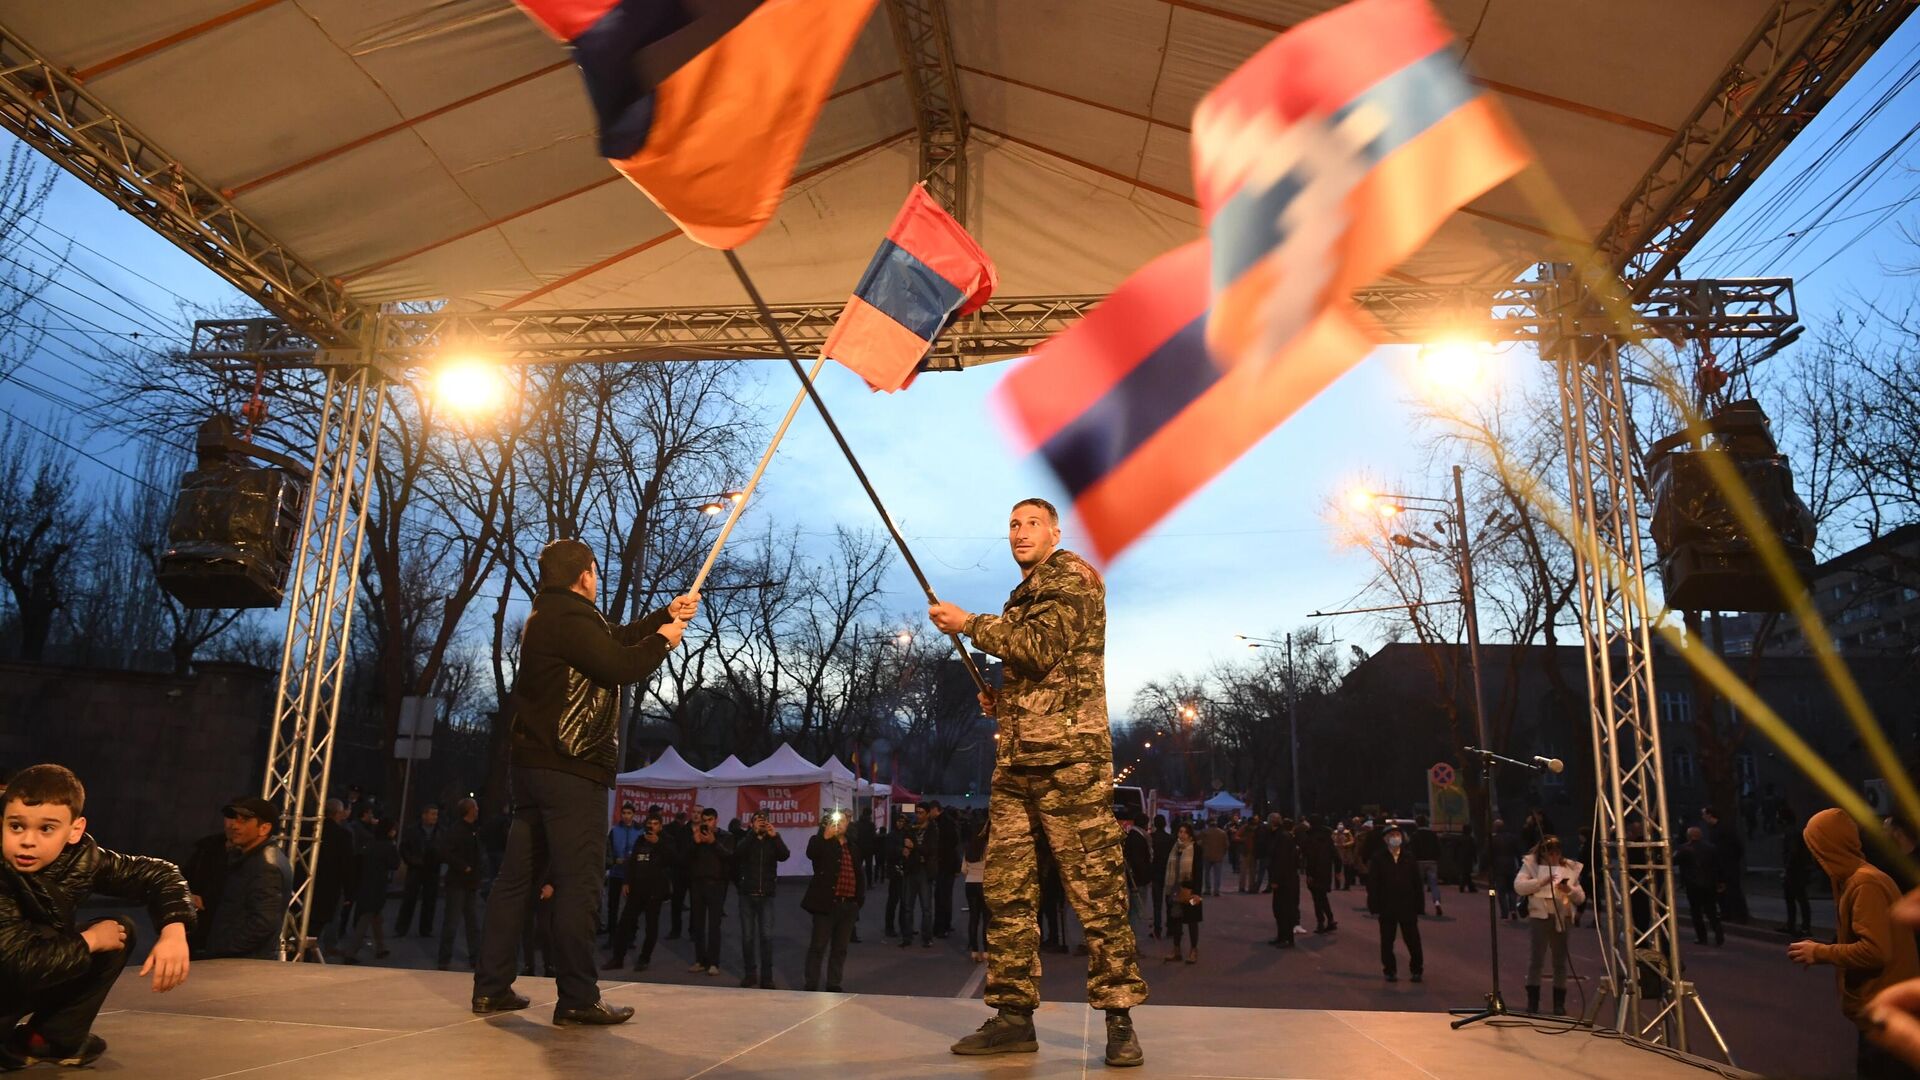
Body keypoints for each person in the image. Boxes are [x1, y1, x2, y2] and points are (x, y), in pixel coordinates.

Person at [930, 497, 1146, 1067]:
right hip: (1020, 762)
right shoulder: (1023, 595)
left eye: (1030, 524)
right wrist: (1004, 701)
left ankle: (1120, 1020)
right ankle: (1012, 1016)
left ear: (1054, 532)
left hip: (1069, 763)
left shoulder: (1072, 576)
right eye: (1012, 524)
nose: (1019, 532)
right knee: (1007, 893)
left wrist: (968, 623)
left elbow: (1041, 645)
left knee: (1095, 894)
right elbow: (1046, 673)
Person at [472, 538, 695, 1026]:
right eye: (596, 570)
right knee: (580, 884)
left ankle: (491, 987)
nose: (598, 576)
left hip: (535, 768)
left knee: (516, 881)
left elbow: (611, 638)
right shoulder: (569, 619)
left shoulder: (551, 616)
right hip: (570, 767)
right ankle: (577, 996)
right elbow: (620, 664)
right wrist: (664, 640)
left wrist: (664, 613)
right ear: (585, 575)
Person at [0, 765, 193, 1070]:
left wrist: (174, 930)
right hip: (12, 971)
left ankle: (49, 1039)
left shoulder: (82, 859)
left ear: (74, 831)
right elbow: (17, 963)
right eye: (16, 826)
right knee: (76, 937)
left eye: (47, 828)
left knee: (119, 931)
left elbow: (160, 873)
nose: (28, 840)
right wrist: (89, 940)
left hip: (24, 975)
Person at [1791, 809, 1920, 1079]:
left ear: (1829, 845)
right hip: (1880, 1010)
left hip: (1886, 1012)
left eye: (1815, 846)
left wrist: (1820, 952)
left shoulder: (1865, 883)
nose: (1814, 856)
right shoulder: (1857, 880)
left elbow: (1875, 951)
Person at [192, 796, 294, 960]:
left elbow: (263, 923)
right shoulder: (249, 858)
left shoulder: (266, 866)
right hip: (236, 960)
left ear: (264, 828)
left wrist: (222, 948)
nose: (234, 825)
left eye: (244, 820)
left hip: (242, 963)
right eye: (233, 818)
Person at [1515, 835, 1584, 1015]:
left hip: (1562, 916)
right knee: (1536, 960)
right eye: (1549, 854)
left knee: (1560, 961)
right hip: (1540, 916)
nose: (1553, 857)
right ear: (1542, 853)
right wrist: (1540, 882)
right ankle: (1533, 1002)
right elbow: (1519, 886)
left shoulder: (1569, 867)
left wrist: (1568, 889)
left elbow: (1581, 897)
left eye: (1556, 853)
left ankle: (1559, 1004)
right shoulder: (1531, 865)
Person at [802, 810, 865, 992]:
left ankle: (834, 983)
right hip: (827, 903)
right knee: (818, 945)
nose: (839, 824)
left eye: (843, 821)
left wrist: (858, 900)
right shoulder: (820, 841)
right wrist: (825, 837)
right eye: (836, 820)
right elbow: (812, 854)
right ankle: (811, 983)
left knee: (840, 948)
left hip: (849, 904)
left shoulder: (853, 846)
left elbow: (858, 872)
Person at [605, 810, 672, 972]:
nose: (651, 826)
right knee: (624, 924)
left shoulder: (666, 840)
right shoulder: (640, 840)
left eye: (655, 824)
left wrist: (659, 843)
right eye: (649, 823)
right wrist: (627, 881)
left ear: (660, 826)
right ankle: (617, 958)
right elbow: (632, 861)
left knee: (651, 927)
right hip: (637, 889)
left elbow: (674, 859)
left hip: (654, 891)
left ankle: (644, 958)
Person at [734, 809, 789, 988]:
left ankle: (767, 977)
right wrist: (752, 834)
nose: (761, 823)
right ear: (751, 824)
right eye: (757, 820)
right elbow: (738, 853)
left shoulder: (772, 840)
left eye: (763, 820)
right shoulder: (747, 840)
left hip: (766, 895)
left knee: (766, 937)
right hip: (747, 894)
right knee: (747, 937)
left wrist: (776, 836)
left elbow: (784, 855)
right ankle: (750, 974)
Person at [1369, 824, 1424, 983]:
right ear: (1386, 839)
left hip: (1407, 905)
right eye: (1392, 835)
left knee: (1413, 940)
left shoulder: (1409, 857)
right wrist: (1374, 905)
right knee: (1387, 941)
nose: (1395, 838)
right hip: (1387, 905)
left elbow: (1417, 883)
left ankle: (1416, 970)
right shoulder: (1379, 858)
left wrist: (1419, 905)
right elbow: (1373, 883)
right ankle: (1390, 970)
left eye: (1397, 834)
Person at [436, 797, 485, 971]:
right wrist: (463, 866)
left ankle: (475, 956)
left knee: (472, 923)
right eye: (476, 808)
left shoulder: (473, 830)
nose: (478, 810)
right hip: (458, 882)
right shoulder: (457, 831)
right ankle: (444, 958)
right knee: (452, 922)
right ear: (470, 810)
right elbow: (445, 852)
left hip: (470, 883)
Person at [343, 817, 399, 964]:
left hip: (365, 884)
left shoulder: (370, 844)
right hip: (377, 886)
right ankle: (351, 952)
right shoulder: (388, 846)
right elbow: (395, 864)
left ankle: (381, 947)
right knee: (367, 918)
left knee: (375, 917)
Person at [311, 798, 356, 959]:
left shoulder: (311, 830)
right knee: (327, 919)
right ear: (338, 813)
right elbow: (347, 865)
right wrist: (350, 891)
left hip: (309, 881)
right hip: (330, 885)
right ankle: (319, 949)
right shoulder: (342, 835)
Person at [394, 803, 441, 937]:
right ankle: (401, 928)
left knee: (429, 901)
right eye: (432, 814)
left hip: (432, 869)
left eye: (436, 814)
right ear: (424, 815)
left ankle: (426, 929)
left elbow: (444, 848)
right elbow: (404, 848)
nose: (435, 817)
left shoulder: (440, 831)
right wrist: (412, 861)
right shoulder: (413, 830)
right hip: (416, 868)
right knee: (409, 899)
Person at [1674, 826, 1723, 946]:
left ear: (1689, 836)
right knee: (1711, 910)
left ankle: (1702, 937)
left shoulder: (1684, 849)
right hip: (1709, 883)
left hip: (1693, 884)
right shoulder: (1711, 848)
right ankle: (1718, 932)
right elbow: (1718, 866)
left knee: (1696, 912)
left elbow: (1673, 861)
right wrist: (1719, 881)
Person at [1163, 822, 1203, 963]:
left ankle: (1193, 950)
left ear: (1190, 834)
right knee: (1176, 920)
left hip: (1191, 891)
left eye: (1185, 832)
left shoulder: (1196, 849)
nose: (1182, 834)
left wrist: (1197, 893)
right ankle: (1176, 950)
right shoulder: (1175, 848)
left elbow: (1198, 872)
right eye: (1180, 831)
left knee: (1192, 921)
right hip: (1176, 891)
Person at [1702, 805, 1748, 923]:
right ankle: (1728, 913)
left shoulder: (1722, 829)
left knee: (1732, 889)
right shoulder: (1718, 829)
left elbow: (1735, 847)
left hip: (1727, 864)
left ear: (1709, 814)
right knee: (1723, 890)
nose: (1703, 817)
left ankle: (1739, 914)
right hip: (1722, 864)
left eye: (1704, 814)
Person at [895, 807, 933, 948]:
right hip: (911, 869)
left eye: (921, 812)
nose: (918, 815)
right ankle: (907, 936)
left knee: (926, 907)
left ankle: (927, 937)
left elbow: (930, 849)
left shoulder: (932, 830)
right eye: (917, 813)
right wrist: (904, 850)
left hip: (924, 870)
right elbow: (903, 845)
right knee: (907, 906)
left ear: (927, 814)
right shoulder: (911, 829)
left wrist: (915, 847)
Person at [605, 803, 641, 940]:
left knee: (632, 907)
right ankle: (612, 936)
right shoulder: (615, 831)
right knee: (613, 906)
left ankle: (631, 937)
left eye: (629, 813)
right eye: (624, 813)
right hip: (616, 873)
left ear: (634, 814)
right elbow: (608, 851)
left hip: (633, 875)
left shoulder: (639, 831)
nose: (626, 816)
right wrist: (614, 860)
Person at [1781, 804, 1815, 937]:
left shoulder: (1791, 833)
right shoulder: (1794, 832)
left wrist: (1787, 868)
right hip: (1796, 870)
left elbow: (1793, 852)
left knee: (1799, 898)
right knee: (1793, 898)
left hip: (1795, 872)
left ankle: (1803, 927)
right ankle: (1794, 924)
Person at [1300, 816, 1336, 933]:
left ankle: (1321, 922)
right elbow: (1335, 854)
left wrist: (1309, 873)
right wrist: (1338, 870)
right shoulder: (1328, 837)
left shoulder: (1310, 838)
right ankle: (1330, 919)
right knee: (1323, 896)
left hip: (1314, 872)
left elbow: (1309, 857)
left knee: (1317, 898)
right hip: (1326, 871)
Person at [1268, 820, 1300, 948]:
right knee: (1281, 909)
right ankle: (1283, 936)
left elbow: (1281, 860)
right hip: (1287, 878)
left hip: (1285, 880)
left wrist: (1275, 879)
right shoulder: (1285, 837)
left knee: (1283, 909)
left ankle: (1286, 938)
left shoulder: (1282, 838)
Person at [931, 802, 960, 937]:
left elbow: (944, 846)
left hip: (943, 865)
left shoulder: (940, 824)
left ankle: (940, 927)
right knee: (947, 896)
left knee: (941, 896)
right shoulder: (950, 822)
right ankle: (946, 924)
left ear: (935, 810)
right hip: (950, 864)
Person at [963, 819, 990, 963]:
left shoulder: (968, 847)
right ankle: (986, 950)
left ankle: (974, 951)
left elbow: (963, 869)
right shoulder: (987, 847)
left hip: (970, 883)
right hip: (984, 883)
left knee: (973, 917)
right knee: (986, 918)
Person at [1122, 811, 1151, 943]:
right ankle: (1132, 943)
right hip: (1138, 882)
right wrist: (1145, 877)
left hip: (1134, 880)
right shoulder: (1138, 839)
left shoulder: (1131, 836)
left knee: (1133, 911)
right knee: (1136, 912)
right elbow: (1139, 862)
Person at [1411, 815, 1443, 918]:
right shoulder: (1433, 835)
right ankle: (1437, 903)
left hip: (1419, 861)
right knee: (1434, 885)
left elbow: (1411, 850)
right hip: (1432, 861)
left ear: (1417, 823)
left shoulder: (1415, 835)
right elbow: (1438, 848)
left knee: (1419, 885)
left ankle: (1420, 907)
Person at [1489, 818, 1522, 919]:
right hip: (1511, 866)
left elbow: (1489, 855)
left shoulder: (1493, 839)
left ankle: (1504, 912)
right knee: (1512, 890)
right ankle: (1513, 909)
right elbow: (1517, 852)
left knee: (1501, 891)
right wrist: (1520, 864)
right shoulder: (1512, 838)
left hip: (1498, 868)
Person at [1148, 814, 1173, 939]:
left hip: (1155, 873)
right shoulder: (1170, 839)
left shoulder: (1151, 838)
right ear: (1165, 824)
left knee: (1157, 904)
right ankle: (1170, 928)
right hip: (1168, 873)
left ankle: (1157, 929)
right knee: (1169, 903)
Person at [1204, 817, 1231, 897]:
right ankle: (1216, 890)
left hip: (1207, 856)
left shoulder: (1205, 832)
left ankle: (1207, 889)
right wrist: (1223, 853)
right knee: (1217, 874)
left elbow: (1200, 843)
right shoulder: (1222, 833)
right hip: (1218, 856)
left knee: (1207, 874)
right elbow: (1227, 845)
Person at [1332, 819, 1356, 891]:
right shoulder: (1335, 833)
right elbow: (1331, 840)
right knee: (1337, 870)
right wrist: (1335, 845)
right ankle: (1337, 885)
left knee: (1347, 871)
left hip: (1346, 854)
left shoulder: (1347, 833)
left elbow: (1352, 841)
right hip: (1337, 853)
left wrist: (1345, 844)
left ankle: (1347, 885)